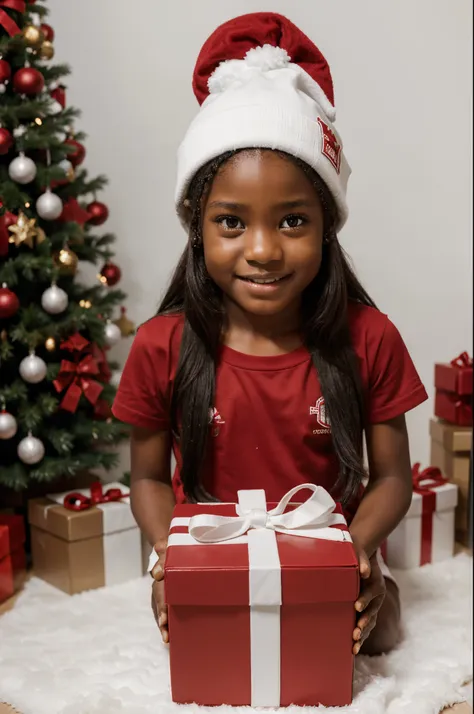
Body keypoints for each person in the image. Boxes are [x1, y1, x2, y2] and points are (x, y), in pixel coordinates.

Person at [112, 12, 428, 656]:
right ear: (197, 228)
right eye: (232, 223)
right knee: (216, 651)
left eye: (291, 221)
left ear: (327, 225)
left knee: (376, 637)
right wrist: (166, 560)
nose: (262, 250)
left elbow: (393, 476)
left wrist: (358, 552)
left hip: (327, 547)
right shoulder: (159, 346)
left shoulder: (370, 337)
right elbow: (146, 477)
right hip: (212, 551)